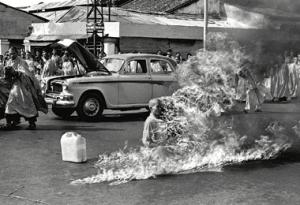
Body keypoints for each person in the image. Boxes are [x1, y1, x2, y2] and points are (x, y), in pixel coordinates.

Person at [3, 47, 47, 130]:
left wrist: (16, 73)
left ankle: (32, 123)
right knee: (11, 103)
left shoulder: (22, 62)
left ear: (17, 53)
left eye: (13, 54)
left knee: (27, 103)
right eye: (10, 54)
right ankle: (10, 122)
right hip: (14, 86)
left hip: (22, 86)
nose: (11, 55)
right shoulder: (9, 62)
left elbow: (27, 74)